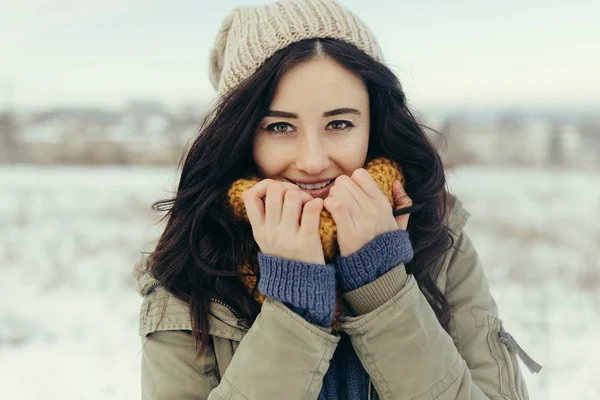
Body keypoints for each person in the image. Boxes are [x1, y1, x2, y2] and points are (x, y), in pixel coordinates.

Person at [134, 0, 541, 398]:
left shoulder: (438, 235)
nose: (312, 161)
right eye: (279, 127)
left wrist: (383, 285)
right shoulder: (189, 266)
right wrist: (294, 303)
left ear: (374, 125)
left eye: (340, 123)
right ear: (240, 135)